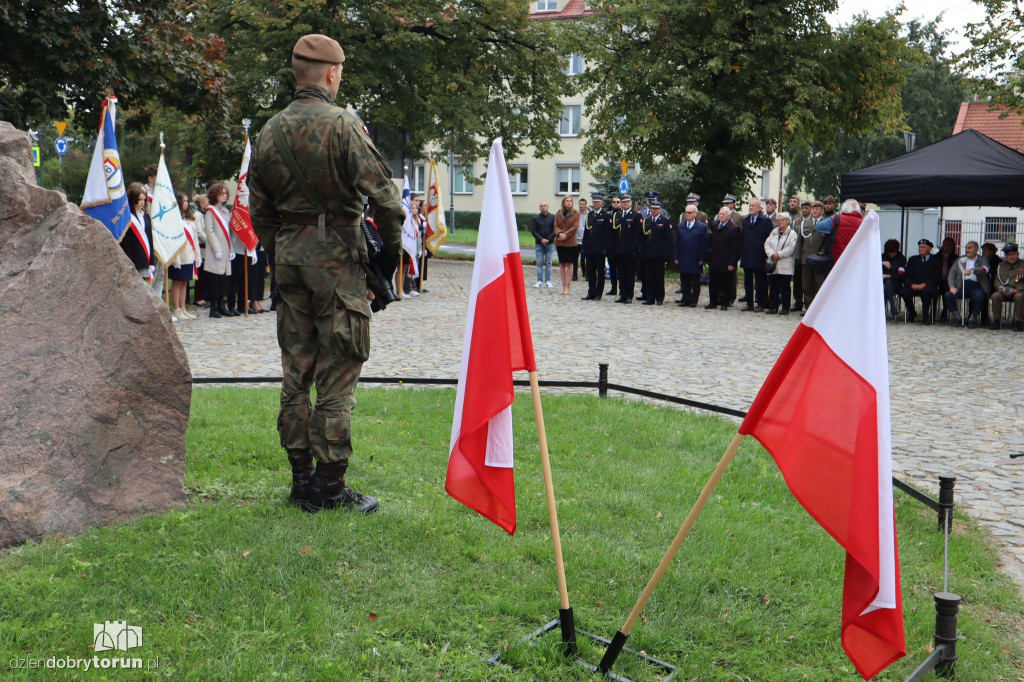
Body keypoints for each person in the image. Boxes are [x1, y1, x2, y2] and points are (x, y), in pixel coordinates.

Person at [249, 33, 403, 514]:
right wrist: (388, 258)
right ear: (332, 73)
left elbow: (258, 210)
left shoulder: (269, 131)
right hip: (337, 262)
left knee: (296, 373)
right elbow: (388, 203)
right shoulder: (343, 125)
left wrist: (285, 248)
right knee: (337, 375)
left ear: (298, 73)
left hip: (290, 262)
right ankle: (331, 488)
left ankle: (300, 483)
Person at [202, 182, 235, 319]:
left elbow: (228, 233)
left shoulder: (226, 211)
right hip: (215, 251)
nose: (224, 196)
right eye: (221, 194)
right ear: (215, 195)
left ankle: (222, 305)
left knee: (223, 280)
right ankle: (213, 307)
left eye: (225, 194)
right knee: (215, 280)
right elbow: (209, 232)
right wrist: (217, 249)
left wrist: (231, 249)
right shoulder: (210, 211)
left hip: (226, 249)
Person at [168, 191, 201, 320]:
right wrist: (175, 260)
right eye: (184, 201)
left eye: (187, 201)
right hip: (179, 257)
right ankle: (176, 309)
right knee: (177, 282)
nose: (186, 204)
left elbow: (195, 239)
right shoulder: (173, 219)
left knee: (185, 282)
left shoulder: (189, 219)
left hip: (189, 255)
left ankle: (183, 308)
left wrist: (197, 257)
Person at [944, 240, 991, 328]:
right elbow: (952, 273)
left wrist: (973, 270)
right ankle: (957, 316)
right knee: (948, 295)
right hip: (962, 285)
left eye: (970, 248)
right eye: (966, 248)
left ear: (976, 250)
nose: (967, 250)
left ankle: (973, 317)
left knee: (980, 296)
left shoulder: (982, 259)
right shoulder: (960, 259)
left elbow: (985, 269)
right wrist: (952, 286)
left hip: (976, 286)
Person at [121, 182, 158, 285]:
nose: (142, 202)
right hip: (134, 260)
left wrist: (151, 261)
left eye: (144, 199)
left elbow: (149, 240)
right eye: (139, 199)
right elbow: (126, 242)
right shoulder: (128, 217)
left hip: (145, 260)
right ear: (133, 200)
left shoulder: (146, 217)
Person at [740, 198, 772, 311]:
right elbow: (743, 237)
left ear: (759, 208)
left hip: (760, 255)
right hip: (748, 254)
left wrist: (767, 256)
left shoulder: (765, 221)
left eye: (753, 205)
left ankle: (761, 304)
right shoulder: (746, 220)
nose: (751, 207)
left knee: (760, 281)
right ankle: (749, 303)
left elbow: (769, 239)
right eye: (750, 205)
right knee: (748, 281)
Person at [706, 207, 741, 310]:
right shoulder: (714, 225)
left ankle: (725, 302)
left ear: (729, 216)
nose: (721, 216)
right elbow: (711, 241)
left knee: (727, 283)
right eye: (720, 214)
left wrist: (732, 263)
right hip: (715, 259)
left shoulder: (734, 228)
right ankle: (713, 302)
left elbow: (735, 247)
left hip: (727, 260)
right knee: (713, 283)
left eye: (724, 214)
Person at [638, 200, 673, 305]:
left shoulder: (665, 221)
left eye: (656, 209)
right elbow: (642, 239)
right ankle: (650, 297)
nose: (654, 210)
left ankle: (659, 297)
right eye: (652, 209)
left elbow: (668, 240)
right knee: (648, 276)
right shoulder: (647, 221)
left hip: (659, 254)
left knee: (659, 276)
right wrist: (642, 252)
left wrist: (667, 255)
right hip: (648, 254)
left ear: (660, 210)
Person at [901, 239, 942, 324]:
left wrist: (925, 284)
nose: (920, 249)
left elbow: (937, 277)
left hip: (928, 285)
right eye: (919, 247)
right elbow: (907, 275)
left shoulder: (936, 260)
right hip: (914, 285)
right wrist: (912, 284)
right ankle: (912, 312)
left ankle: (925, 316)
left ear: (930, 249)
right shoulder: (913, 260)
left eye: (923, 247)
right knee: (905, 292)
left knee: (926, 292)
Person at [763, 212, 798, 315]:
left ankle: (785, 308)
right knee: (774, 287)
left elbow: (791, 248)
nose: (780, 222)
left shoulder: (792, 234)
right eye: (779, 220)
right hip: (774, 263)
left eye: (782, 220)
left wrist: (779, 254)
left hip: (785, 264)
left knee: (785, 287)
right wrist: (772, 254)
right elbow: (767, 244)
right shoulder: (774, 232)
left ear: (788, 221)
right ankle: (774, 306)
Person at [674, 205, 707, 307]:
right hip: (683, 257)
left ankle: (694, 300)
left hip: (695, 258)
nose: (687, 214)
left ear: (695, 214)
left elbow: (704, 244)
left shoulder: (701, 227)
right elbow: (677, 243)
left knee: (695, 281)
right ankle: (686, 299)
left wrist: (702, 258)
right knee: (684, 280)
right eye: (686, 212)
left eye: (689, 212)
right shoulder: (681, 226)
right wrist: (676, 257)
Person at [613, 194, 642, 303]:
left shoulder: (636, 215)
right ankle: (622, 294)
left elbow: (637, 235)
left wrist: (635, 249)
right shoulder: (618, 215)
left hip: (630, 250)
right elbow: (615, 234)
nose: (625, 203)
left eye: (627, 202)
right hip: (619, 249)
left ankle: (629, 295)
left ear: (631, 203)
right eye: (623, 202)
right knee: (621, 273)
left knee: (629, 273)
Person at [581, 194, 612, 300]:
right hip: (590, 248)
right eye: (594, 202)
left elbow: (608, 234)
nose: (596, 203)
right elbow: (586, 232)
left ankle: (599, 293)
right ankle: (591, 292)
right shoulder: (590, 215)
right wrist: (584, 246)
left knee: (600, 271)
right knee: (590, 272)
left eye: (598, 202)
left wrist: (606, 248)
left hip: (600, 249)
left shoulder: (606, 215)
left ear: (602, 203)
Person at [814, 198, 864, 264]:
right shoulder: (863, 223)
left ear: (844, 207)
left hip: (836, 261)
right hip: (855, 261)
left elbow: (819, 227)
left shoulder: (836, 219)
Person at [799, 200, 828, 311]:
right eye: (813, 209)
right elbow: (799, 242)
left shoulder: (826, 223)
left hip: (819, 259)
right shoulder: (805, 223)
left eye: (817, 209)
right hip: (806, 259)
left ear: (822, 210)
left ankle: (818, 310)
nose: (814, 211)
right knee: (806, 286)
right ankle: (808, 309)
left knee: (819, 284)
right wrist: (798, 257)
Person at [990, 243, 1024, 331]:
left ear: (1017, 254)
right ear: (1005, 256)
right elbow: (997, 281)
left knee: (1019, 297)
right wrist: (1002, 288)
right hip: (1004, 290)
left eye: (1013, 254)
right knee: (995, 296)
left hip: (1019, 291)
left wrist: (1017, 290)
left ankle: (1019, 322)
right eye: (1009, 255)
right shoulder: (1001, 266)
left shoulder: (1023, 265)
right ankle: (996, 321)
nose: (1011, 257)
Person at [553, 195, 580, 295]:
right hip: (560, 241)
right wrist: (559, 233)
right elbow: (555, 226)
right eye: (567, 201)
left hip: (571, 242)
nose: (569, 202)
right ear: (563, 203)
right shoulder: (558, 213)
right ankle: (563, 286)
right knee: (562, 264)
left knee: (569, 264)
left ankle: (568, 287)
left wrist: (565, 235)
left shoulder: (576, 213)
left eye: (570, 201)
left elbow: (575, 227)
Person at [791, 199, 811, 312]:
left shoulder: (813, 222)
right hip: (798, 254)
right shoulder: (796, 222)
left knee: (807, 282)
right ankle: (798, 301)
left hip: (809, 254)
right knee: (797, 281)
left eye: (806, 208)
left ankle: (808, 303)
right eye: (803, 208)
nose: (804, 210)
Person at [530, 201, 555, 288]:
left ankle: (548, 281)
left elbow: (555, 230)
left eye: (545, 206)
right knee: (539, 262)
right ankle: (539, 280)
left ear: (548, 207)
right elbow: (533, 231)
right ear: (539, 208)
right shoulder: (536, 218)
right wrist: (541, 239)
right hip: (539, 244)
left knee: (549, 262)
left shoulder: (553, 217)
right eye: (541, 206)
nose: (543, 207)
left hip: (550, 244)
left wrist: (548, 239)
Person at [191, 193, 209, 307]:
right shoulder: (198, 215)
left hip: (206, 247)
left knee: (205, 274)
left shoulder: (204, 214)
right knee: (201, 274)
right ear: (202, 204)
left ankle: (203, 295)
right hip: (202, 246)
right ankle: (199, 298)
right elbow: (199, 232)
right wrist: (210, 242)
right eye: (207, 202)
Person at [881, 239, 906, 319]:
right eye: (889, 252)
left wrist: (888, 275)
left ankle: (884, 312)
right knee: (885, 286)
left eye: (893, 252)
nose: (891, 254)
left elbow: (900, 276)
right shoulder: (881, 257)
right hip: (882, 284)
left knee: (886, 284)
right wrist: (881, 263)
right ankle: (892, 306)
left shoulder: (901, 259)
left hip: (896, 284)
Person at [606, 195, 621, 296]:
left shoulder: (622, 215)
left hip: (620, 246)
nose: (615, 203)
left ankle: (622, 289)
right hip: (610, 246)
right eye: (614, 202)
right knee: (612, 268)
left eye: (617, 202)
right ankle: (613, 287)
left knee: (621, 268)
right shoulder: (608, 215)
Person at [576, 197, 587, 281]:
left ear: (585, 205)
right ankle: (574, 274)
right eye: (580, 204)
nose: (582, 206)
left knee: (583, 257)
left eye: (583, 204)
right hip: (576, 239)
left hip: (585, 240)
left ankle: (585, 272)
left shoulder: (589, 214)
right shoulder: (576, 214)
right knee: (575, 258)